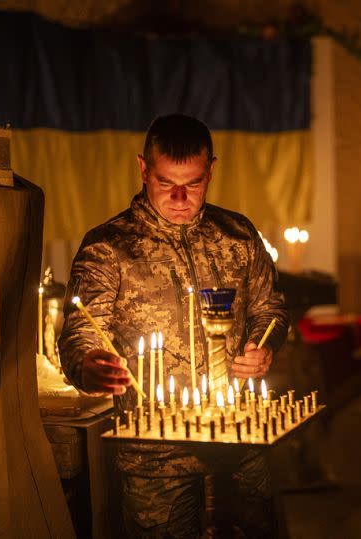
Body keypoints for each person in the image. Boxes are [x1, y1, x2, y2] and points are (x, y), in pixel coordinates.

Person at [59, 114, 289, 537]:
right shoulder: (110, 247)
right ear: (144, 170)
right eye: (166, 183)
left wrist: (262, 344)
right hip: (154, 455)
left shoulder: (237, 235)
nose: (181, 198)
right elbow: (80, 333)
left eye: (195, 183)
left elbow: (270, 308)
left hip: (239, 442)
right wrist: (89, 364)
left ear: (212, 170)